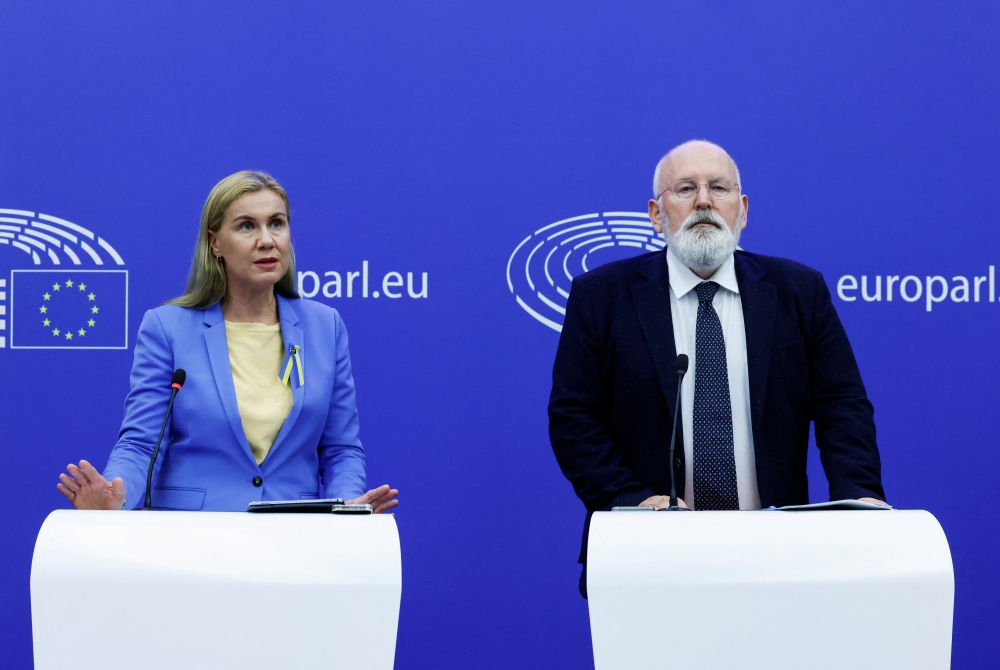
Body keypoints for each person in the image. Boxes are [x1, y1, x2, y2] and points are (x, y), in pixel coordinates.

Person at [548, 140, 885, 597]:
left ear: (742, 210)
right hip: (645, 555)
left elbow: (841, 406)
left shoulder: (798, 292)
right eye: (686, 188)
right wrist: (631, 501)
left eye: (719, 188)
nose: (704, 201)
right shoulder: (601, 296)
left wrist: (858, 497)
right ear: (656, 214)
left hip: (778, 556)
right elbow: (574, 418)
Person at [56, 171, 398, 513]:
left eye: (276, 223)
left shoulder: (325, 326)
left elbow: (341, 449)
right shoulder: (167, 328)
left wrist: (347, 504)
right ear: (215, 242)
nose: (267, 240)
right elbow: (142, 444)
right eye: (247, 226)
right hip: (193, 531)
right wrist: (116, 496)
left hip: (293, 532)